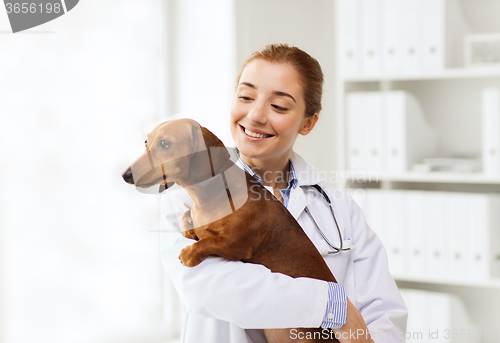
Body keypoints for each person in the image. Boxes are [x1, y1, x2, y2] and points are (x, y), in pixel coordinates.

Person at [160, 43, 407, 343]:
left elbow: (384, 313)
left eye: (278, 106)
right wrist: (331, 305)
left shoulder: (339, 209)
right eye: (246, 97)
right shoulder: (187, 195)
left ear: (308, 122)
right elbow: (206, 288)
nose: (255, 116)